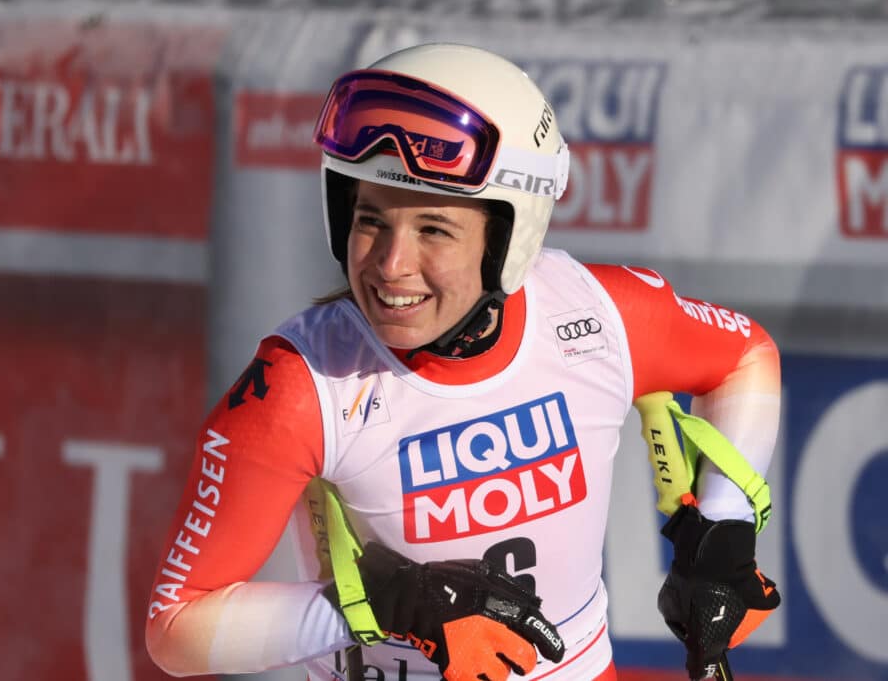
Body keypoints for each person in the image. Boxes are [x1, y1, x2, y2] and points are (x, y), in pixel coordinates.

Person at [144, 43, 782, 681]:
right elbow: (175, 627)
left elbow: (746, 356)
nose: (390, 266)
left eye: (433, 230)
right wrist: (391, 606)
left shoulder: (598, 316)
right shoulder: (302, 385)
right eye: (371, 220)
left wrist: (724, 532)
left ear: (509, 237)